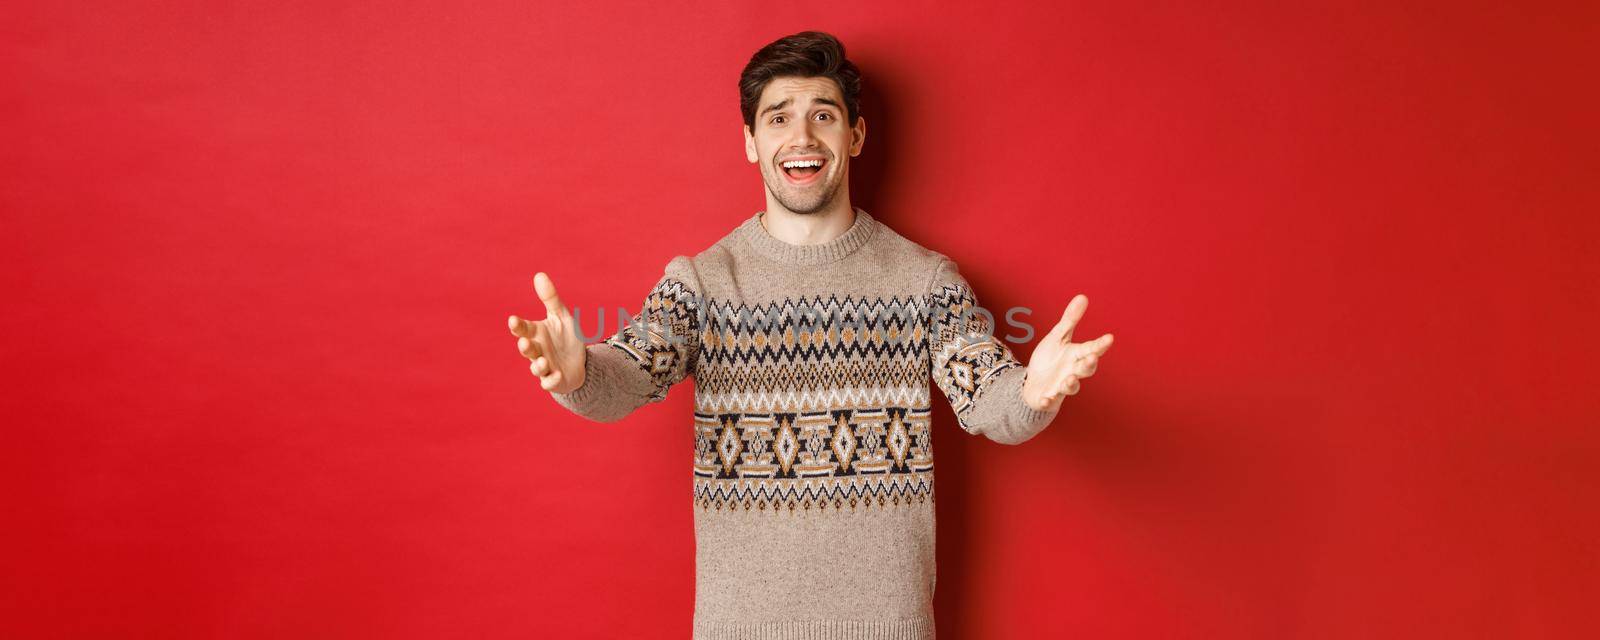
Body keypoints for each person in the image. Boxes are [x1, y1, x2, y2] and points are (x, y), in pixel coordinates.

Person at [507, 30, 1114, 640]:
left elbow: (988, 397)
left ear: (854, 136)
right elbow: (629, 376)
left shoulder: (923, 280)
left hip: (890, 628)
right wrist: (580, 373)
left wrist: (1033, 393)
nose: (801, 137)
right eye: (778, 119)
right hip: (737, 629)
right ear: (751, 142)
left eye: (823, 115)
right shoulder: (702, 282)